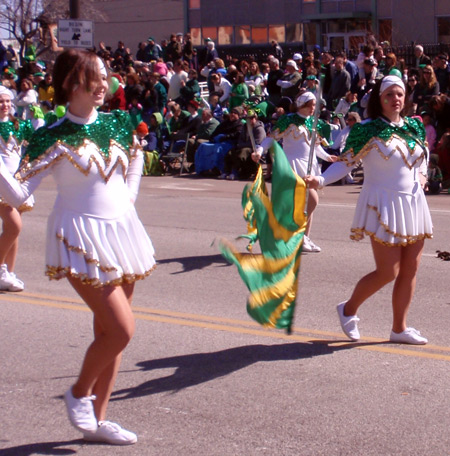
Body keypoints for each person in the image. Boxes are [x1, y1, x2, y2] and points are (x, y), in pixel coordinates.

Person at [0, 50, 155, 444]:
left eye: (105, 77)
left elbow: (137, 159)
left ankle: (97, 423)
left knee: (107, 332)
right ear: (71, 83)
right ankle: (79, 393)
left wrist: (130, 198)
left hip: (123, 233)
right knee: (122, 330)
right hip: (80, 238)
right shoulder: (50, 136)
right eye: (95, 78)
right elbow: (19, 193)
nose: (104, 85)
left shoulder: (118, 122)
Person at [305, 75, 433, 345]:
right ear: (379, 98)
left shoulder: (414, 126)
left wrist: (422, 176)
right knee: (388, 271)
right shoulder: (367, 128)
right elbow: (346, 162)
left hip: (413, 202)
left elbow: (423, 156)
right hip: (383, 203)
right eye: (389, 95)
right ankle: (348, 309)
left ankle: (399, 328)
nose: (395, 99)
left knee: (410, 269)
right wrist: (321, 180)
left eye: (399, 94)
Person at [253, 91, 337, 253]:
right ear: (302, 104)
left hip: (309, 166)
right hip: (292, 165)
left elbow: (316, 147)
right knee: (311, 200)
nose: (314, 107)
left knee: (308, 202)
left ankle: (303, 237)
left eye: (315, 105)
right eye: (311, 104)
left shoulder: (314, 123)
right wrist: (259, 150)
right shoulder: (288, 120)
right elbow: (271, 138)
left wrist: (328, 157)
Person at [0, 86, 34, 291]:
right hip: (0, 184)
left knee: (14, 230)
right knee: (14, 226)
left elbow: (28, 151)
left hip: (17, 182)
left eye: (7, 102)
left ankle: (8, 273)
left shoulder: (18, 125)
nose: (4, 105)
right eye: (0, 102)